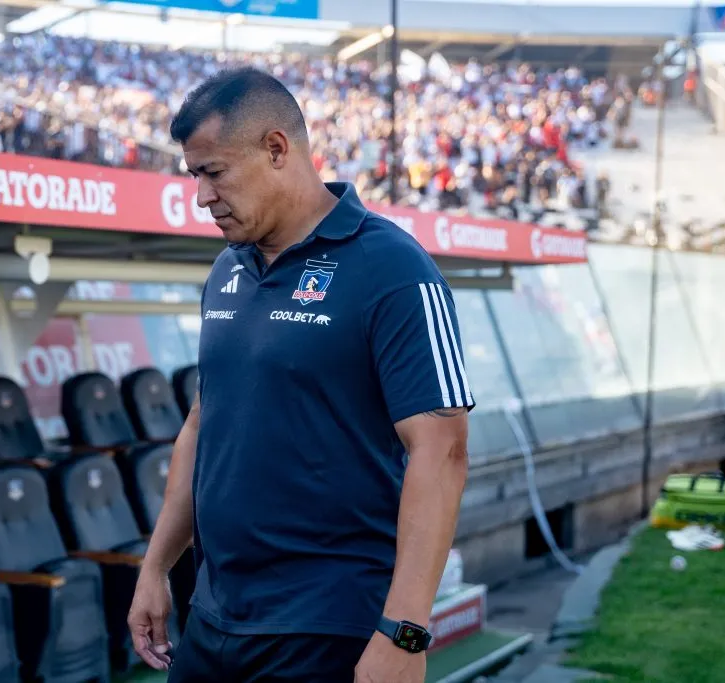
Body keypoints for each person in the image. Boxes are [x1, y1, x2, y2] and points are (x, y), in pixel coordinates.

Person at [127, 66, 473, 683]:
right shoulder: (226, 271)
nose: (201, 196)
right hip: (214, 616)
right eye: (194, 176)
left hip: (328, 627)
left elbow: (442, 453)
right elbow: (204, 425)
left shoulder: (393, 269)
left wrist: (405, 633)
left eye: (213, 173)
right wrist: (156, 567)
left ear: (277, 149)